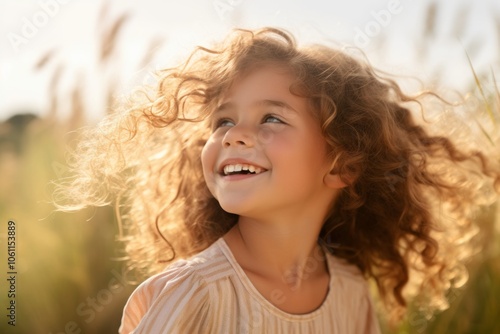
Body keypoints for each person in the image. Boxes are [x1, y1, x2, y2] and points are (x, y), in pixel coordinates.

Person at [54, 27, 499, 333]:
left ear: (343, 164)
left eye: (271, 117)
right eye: (222, 121)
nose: (233, 136)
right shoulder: (195, 293)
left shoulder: (350, 294)